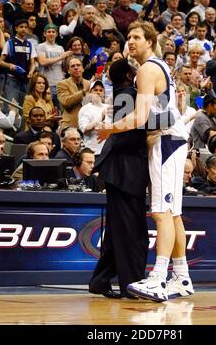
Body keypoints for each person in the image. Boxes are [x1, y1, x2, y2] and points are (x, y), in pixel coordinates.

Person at [97, 21, 193, 302]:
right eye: (129, 37)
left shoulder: (148, 69)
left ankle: (158, 278)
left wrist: (108, 129)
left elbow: (139, 118)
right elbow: (158, 114)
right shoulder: (155, 67)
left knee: (162, 212)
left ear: (150, 42)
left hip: (166, 141)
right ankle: (182, 276)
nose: (131, 41)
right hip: (172, 138)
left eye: (137, 37)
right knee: (172, 213)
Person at [90, 58, 149, 299]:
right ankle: (132, 284)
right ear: (127, 75)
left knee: (118, 232)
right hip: (125, 172)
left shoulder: (128, 93)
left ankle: (100, 280)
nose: (139, 71)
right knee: (132, 233)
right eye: (134, 68)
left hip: (121, 171)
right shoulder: (128, 95)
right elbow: (127, 138)